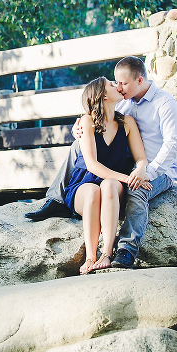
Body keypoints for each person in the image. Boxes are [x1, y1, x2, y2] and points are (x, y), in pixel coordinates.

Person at [25, 56, 177, 269]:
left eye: (122, 83)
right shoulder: (125, 101)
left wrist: (146, 172)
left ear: (139, 80)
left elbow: (173, 144)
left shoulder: (164, 103)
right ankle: (56, 198)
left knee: (136, 190)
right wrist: (79, 130)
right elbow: (95, 121)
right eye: (115, 83)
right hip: (124, 170)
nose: (119, 87)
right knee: (77, 148)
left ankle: (126, 250)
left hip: (158, 169)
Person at [66, 77, 151, 274]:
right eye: (112, 85)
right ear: (103, 96)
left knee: (109, 185)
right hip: (84, 181)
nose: (118, 87)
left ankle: (106, 253)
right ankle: (90, 256)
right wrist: (129, 179)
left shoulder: (127, 122)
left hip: (114, 184)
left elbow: (141, 158)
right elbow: (92, 165)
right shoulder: (87, 122)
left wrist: (140, 171)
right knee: (93, 191)